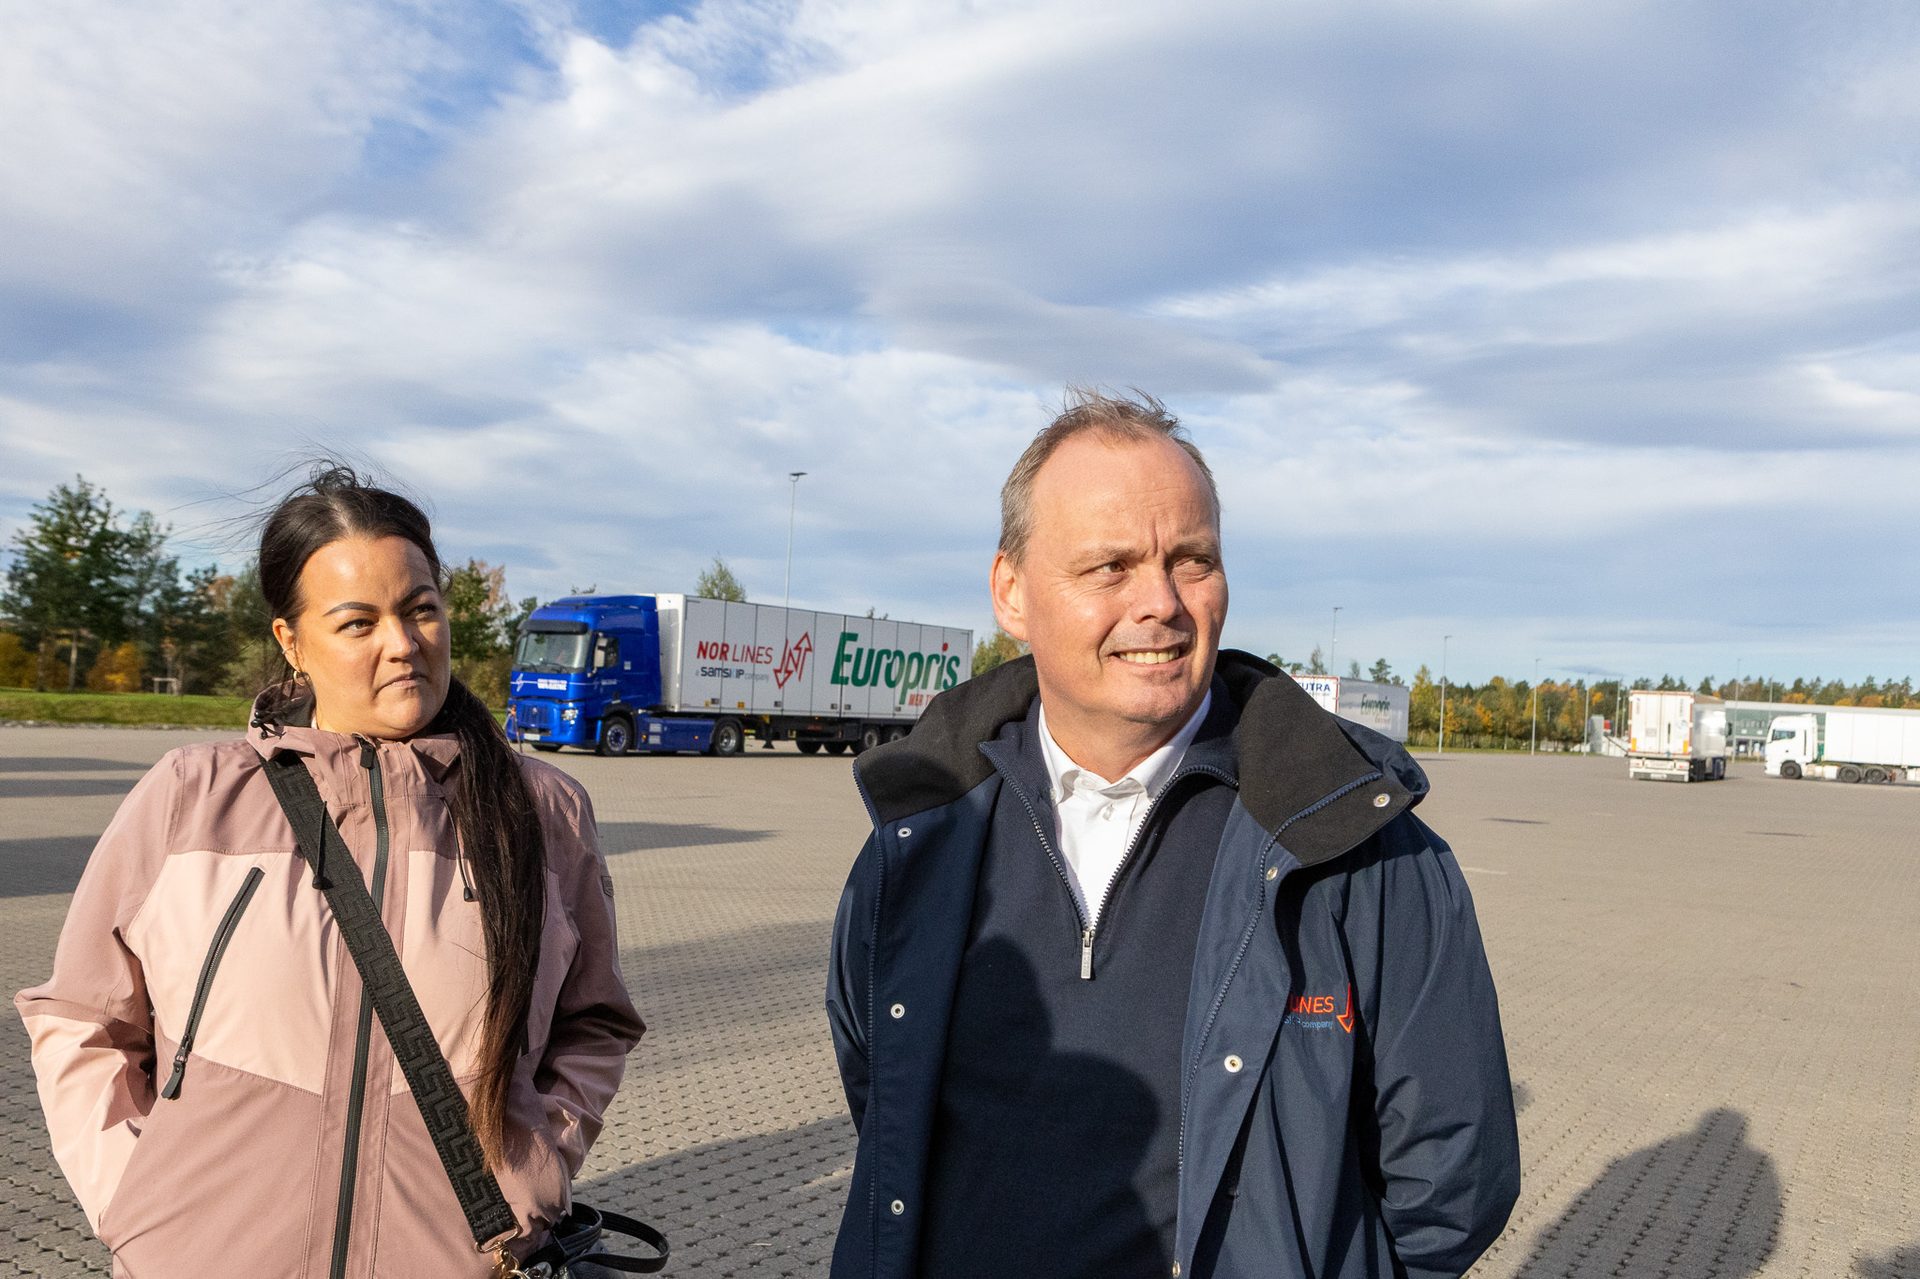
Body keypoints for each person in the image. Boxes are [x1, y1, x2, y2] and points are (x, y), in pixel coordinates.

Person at [825, 391, 1520, 1279]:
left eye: (1192, 560)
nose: (1160, 602)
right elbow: (880, 1088)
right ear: (1011, 591)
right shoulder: (916, 841)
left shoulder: (1356, 848)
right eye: (1110, 567)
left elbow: (1453, 1178)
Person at [16, 466, 645, 1277]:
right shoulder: (190, 795)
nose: (403, 643)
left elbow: (594, 1023)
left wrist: (537, 1170)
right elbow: (80, 1017)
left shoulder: (542, 810)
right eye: (358, 622)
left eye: (422, 609)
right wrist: (134, 1199)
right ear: (291, 640)